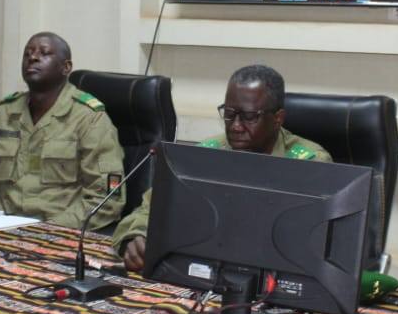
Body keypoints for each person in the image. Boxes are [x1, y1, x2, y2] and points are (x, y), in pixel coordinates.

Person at [112, 64, 330, 271]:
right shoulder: (205, 154)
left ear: (278, 118)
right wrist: (136, 238)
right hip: (205, 270)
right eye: (229, 113)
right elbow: (151, 209)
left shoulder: (310, 165)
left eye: (249, 117)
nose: (236, 126)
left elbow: (316, 244)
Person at [0, 32, 125, 231]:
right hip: (1, 226)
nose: (33, 57)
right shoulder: (3, 113)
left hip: (60, 228)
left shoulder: (89, 119)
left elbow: (106, 198)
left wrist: (47, 229)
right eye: (27, 53)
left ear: (66, 67)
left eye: (44, 53)